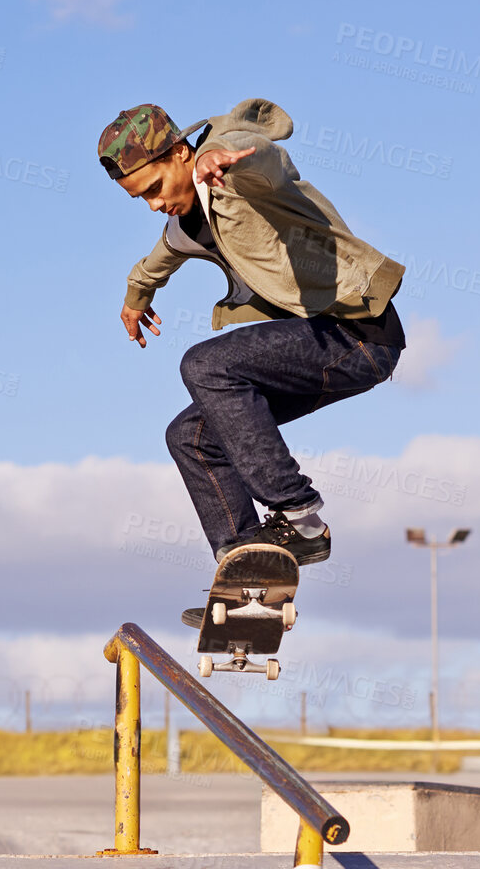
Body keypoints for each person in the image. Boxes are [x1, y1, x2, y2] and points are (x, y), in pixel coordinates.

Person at [97, 99, 406, 626]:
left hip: (359, 334)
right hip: (317, 349)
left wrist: (216, 157)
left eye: (153, 189)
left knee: (206, 366)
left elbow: (268, 158)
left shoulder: (237, 174)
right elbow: (158, 260)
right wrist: (135, 297)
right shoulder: (184, 222)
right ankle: (248, 578)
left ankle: (301, 518)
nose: (152, 205)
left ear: (178, 153)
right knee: (191, 437)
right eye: (139, 199)